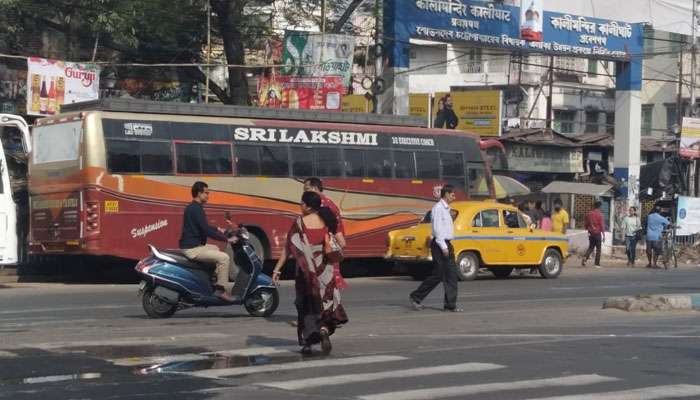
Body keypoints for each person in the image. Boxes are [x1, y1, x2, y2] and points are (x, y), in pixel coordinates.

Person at [272, 191, 348, 355]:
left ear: (306, 205)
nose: (300, 206)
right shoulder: (327, 220)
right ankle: (323, 329)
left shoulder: (299, 224)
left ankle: (307, 343)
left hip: (306, 272)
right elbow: (342, 243)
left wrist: (277, 269)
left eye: (301, 203)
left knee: (306, 306)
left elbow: (288, 250)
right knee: (324, 303)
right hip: (325, 271)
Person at [180, 181, 237, 301]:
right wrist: (227, 239)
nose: (208, 196)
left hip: (194, 246)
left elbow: (203, 226)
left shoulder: (194, 207)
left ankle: (212, 280)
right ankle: (221, 290)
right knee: (224, 257)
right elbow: (205, 230)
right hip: (193, 249)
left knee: (215, 249)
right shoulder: (196, 209)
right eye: (206, 193)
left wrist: (218, 229)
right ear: (199, 193)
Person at [409, 184, 462, 312]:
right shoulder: (438, 208)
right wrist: (443, 246)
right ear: (446, 194)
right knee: (438, 275)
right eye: (452, 194)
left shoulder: (446, 209)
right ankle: (416, 297)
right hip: (440, 245)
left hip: (446, 244)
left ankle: (450, 305)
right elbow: (437, 230)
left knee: (451, 275)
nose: (454, 196)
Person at [303, 177, 348, 289]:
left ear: (315, 188)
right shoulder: (327, 203)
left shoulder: (321, 205)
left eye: (306, 189)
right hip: (327, 250)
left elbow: (335, 231)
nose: (304, 193)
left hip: (323, 251)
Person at [582, 201, 605, 268]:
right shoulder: (600, 214)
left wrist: (588, 229)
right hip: (597, 234)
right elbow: (602, 225)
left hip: (591, 233)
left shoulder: (589, 214)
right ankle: (597, 264)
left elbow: (586, 224)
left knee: (591, 247)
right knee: (598, 249)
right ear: (600, 206)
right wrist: (603, 235)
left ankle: (585, 258)